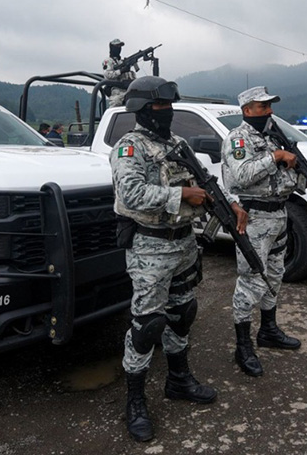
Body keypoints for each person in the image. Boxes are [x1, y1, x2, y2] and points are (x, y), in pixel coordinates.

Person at [111, 75, 228, 442]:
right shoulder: (129, 147)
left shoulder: (177, 144)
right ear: (143, 110)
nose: (167, 113)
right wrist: (181, 195)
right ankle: (135, 401)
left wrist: (226, 204)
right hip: (150, 248)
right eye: (160, 107)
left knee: (182, 315)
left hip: (183, 245)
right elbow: (130, 195)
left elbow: (203, 180)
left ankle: (178, 380)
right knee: (147, 326)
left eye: (169, 106)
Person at [221, 86, 307, 377]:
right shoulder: (238, 138)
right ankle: (243, 346)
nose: (269, 111)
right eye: (263, 107)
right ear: (247, 110)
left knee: (275, 274)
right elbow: (242, 175)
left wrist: (304, 179)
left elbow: (285, 177)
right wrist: (274, 157)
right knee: (250, 281)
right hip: (254, 218)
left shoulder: (273, 137)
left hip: (279, 214)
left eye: (270, 106)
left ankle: (269, 329)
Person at [102, 38, 136, 107]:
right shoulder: (108, 61)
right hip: (116, 91)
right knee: (116, 104)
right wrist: (121, 71)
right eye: (117, 46)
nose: (119, 48)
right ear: (112, 47)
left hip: (126, 90)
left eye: (120, 46)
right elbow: (108, 75)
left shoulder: (121, 61)